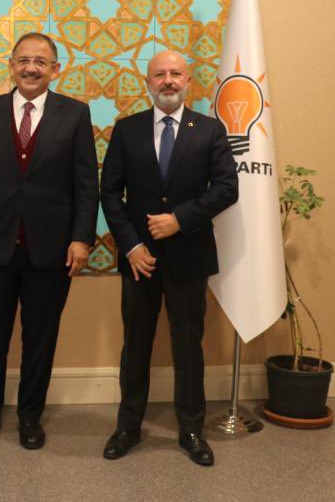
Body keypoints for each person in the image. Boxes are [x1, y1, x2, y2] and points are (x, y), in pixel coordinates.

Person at [0, 32, 98, 450]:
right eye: (23, 60)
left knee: (40, 339)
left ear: (56, 69)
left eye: (40, 61)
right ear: (11, 65)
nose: (31, 68)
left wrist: (81, 239)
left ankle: (30, 417)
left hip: (52, 250)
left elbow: (86, 183)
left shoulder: (75, 114)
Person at [99, 49, 238, 466]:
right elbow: (110, 193)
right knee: (135, 347)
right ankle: (128, 427)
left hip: (189, 256)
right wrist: (131, 245)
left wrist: (179, 219)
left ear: (188, 81)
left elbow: (227, 188)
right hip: (139, 260)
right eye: (159, 74)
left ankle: (191, 429)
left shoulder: (209, 130)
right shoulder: (127, 130)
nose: (168, 81)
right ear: (148, 82)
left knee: (187, 348)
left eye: (176, 73)